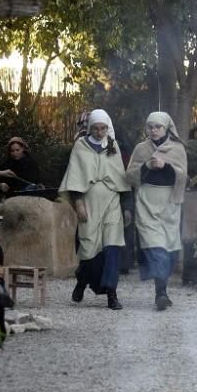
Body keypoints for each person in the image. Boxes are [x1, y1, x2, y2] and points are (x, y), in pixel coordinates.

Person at [60, 110, 131, 310]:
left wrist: (126, 207)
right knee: (89, 250)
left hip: (111, 203)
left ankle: (112, 294)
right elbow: (74, 176)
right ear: (90, 128)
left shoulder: (113, 146)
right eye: (96, 128)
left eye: (103, 128)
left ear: (108, 127)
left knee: (112, 246)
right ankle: (82, 280)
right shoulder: (80, 146)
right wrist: (79, 204)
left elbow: (121, 177)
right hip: (89, 203)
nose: (100, 132)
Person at [126, 112, 188, 310]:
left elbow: (184, 176)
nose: (153, 130)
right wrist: (146, 166)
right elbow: (129, 176)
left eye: (157, 127)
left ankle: (163, 287)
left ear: (166, 128)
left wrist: (166, 166)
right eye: (150, 127)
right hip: (146, 200)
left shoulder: (177, 148)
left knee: (169, 249)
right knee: (156, 246)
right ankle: (160, 293)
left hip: (170, 202)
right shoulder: (141, 149)